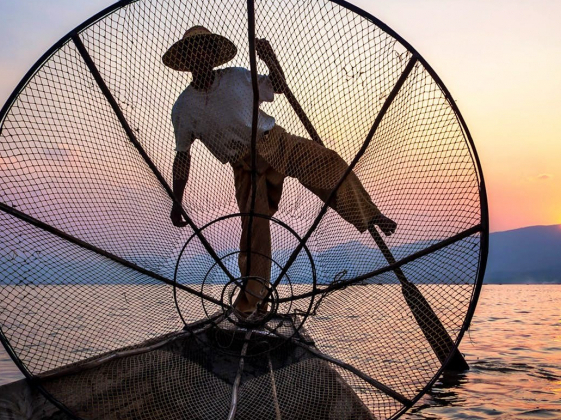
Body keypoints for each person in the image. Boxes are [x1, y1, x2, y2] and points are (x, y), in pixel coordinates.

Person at [164, 26, 396, 316]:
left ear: (212, 55)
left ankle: (369, 213)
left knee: (329, 163)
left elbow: (278, 86)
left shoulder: (237, 77)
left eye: (205, 49)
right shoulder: (184, 108)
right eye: (192, 50)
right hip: (245, 167)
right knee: (254, 230)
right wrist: (177, 200)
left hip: (275, 141)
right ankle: (252, 304)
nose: (200, 54)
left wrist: (270, 57)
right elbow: (182, 156)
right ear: (186, 59)